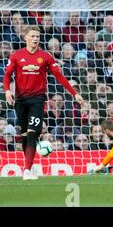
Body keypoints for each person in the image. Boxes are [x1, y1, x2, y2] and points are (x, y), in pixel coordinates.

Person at [3, 25, 85, 180]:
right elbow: (7, 75)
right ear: (25, 37)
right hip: (20, 100)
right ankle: (30, 165)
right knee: (25, 134)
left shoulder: (45, 56)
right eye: (32, 36)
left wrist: (75, 94)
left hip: (37, 100)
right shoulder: (16, 55)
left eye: (38, 36)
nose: (35, 39)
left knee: (33, 133)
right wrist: (7, 90)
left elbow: (59, 77)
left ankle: (26, 170)